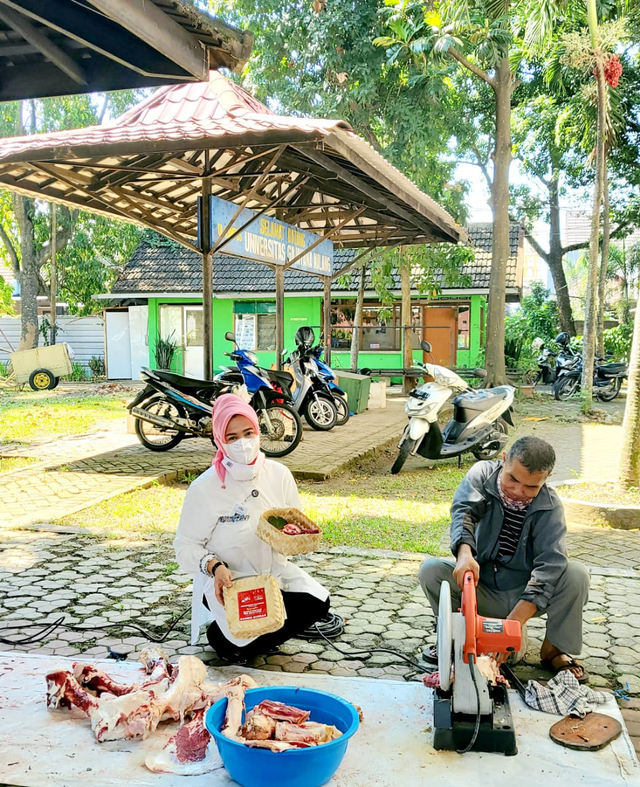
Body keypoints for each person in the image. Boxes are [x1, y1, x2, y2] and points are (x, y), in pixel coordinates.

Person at [419, 435, 590, 682]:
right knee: (431, 570)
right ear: (503, 460)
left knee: (576, 574)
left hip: (524, 597)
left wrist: (510, 629)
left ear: (547, 479)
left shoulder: (550, 506)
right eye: (513, 479)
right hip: (481, 587)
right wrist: (465, 554)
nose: (519, 491)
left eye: (531, 487)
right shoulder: (481, 474)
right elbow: (463, 513)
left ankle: (554, 650)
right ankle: (454, 640)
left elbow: (549, 567)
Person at [174, 393, 330, 663]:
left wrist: (295, 539)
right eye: (232, 437)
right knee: (241, 643)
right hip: (232, 582)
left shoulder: (279, 474)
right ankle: (221, 637)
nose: (243, 443)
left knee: (318, 602)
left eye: (248, 433)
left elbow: (293, 519)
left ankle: (258, 636)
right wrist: (215, 567)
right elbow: (185, 546)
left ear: (258, 431)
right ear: (219, 441)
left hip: (274, 575)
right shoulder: (204, 488)